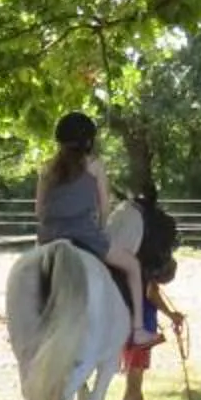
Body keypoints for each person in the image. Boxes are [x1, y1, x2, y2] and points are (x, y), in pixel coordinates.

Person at [35, 112, 157, 345]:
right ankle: (139, 330)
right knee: (133, 265)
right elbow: (104, 207)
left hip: (48, 239)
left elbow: (39, 211)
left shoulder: (46, 168)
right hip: (85, 236)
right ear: (88, 140)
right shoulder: (94, 165)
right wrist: (100, 229)